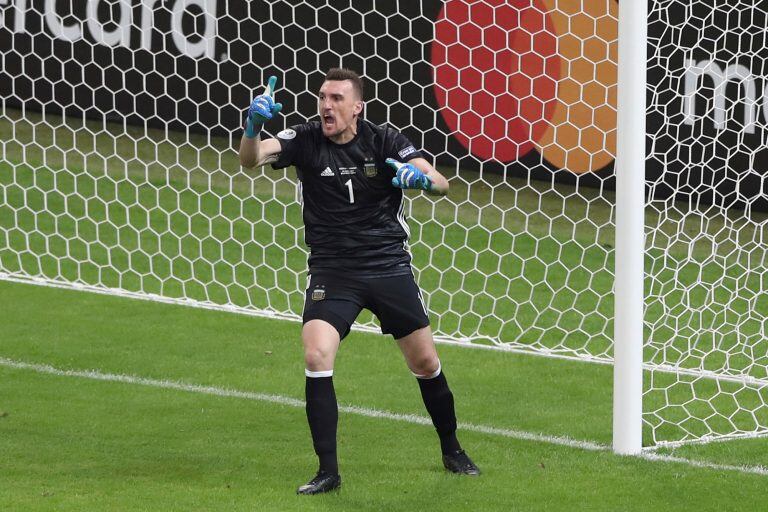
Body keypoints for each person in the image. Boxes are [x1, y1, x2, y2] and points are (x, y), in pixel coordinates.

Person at [239, 68, 479, 495]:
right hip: (333, 271)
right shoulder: (306, 139)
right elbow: (251, 159)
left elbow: (442, 183)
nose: (326, 106)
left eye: (336, 98)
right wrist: (253, 127)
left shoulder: (385, 140)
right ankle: (328, 471)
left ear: (357, 107)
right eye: (322, 97)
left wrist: (421, 180)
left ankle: (452, 448)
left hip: (388, 267)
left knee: (424, 363)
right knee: (316, 355)